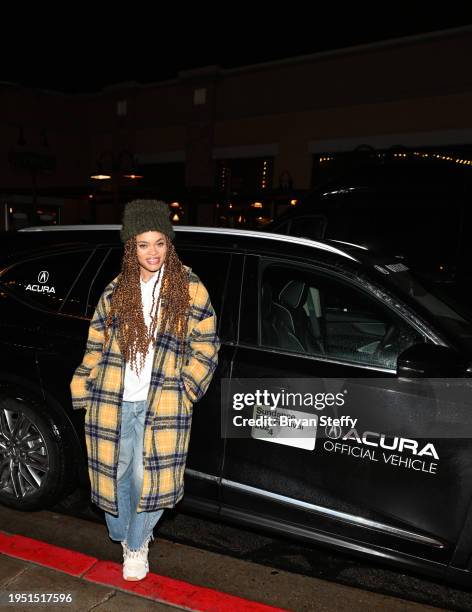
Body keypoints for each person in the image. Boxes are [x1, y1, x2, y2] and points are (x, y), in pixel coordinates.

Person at [70, 199, 220, 581]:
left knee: (149, 477)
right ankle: (124, 534)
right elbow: (95, 343)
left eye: (159, 243)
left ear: (169, 243)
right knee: (117, 473)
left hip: (163, 401)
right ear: (130, 248)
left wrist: (186, 387)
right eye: (143, 244)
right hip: (114, 399)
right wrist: (85, 385)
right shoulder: (118, 290)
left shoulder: (189, 287)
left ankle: (137, 545)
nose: (152, 252)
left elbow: (207, 344)